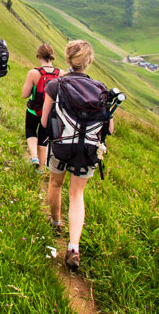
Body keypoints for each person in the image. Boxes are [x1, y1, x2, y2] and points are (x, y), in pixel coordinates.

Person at [41, 40, 114, 271]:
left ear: (68, 59)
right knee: (77, 194)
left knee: (55, 183)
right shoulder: (101, 89)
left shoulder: (56, 86)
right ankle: (73, 247)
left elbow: (44, 122)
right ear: (88, 61)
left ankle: (55, 222)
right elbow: (110, 129)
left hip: (61, 146)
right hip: (88, 151)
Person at [21, 44, 60, 172]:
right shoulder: (61, 74)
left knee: (31, 130)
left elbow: (24, 94)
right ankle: (40, 169)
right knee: (44, 140)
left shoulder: (34, 73)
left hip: (34, 110)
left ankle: (34, 157)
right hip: (50, 113)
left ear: (39, 56)